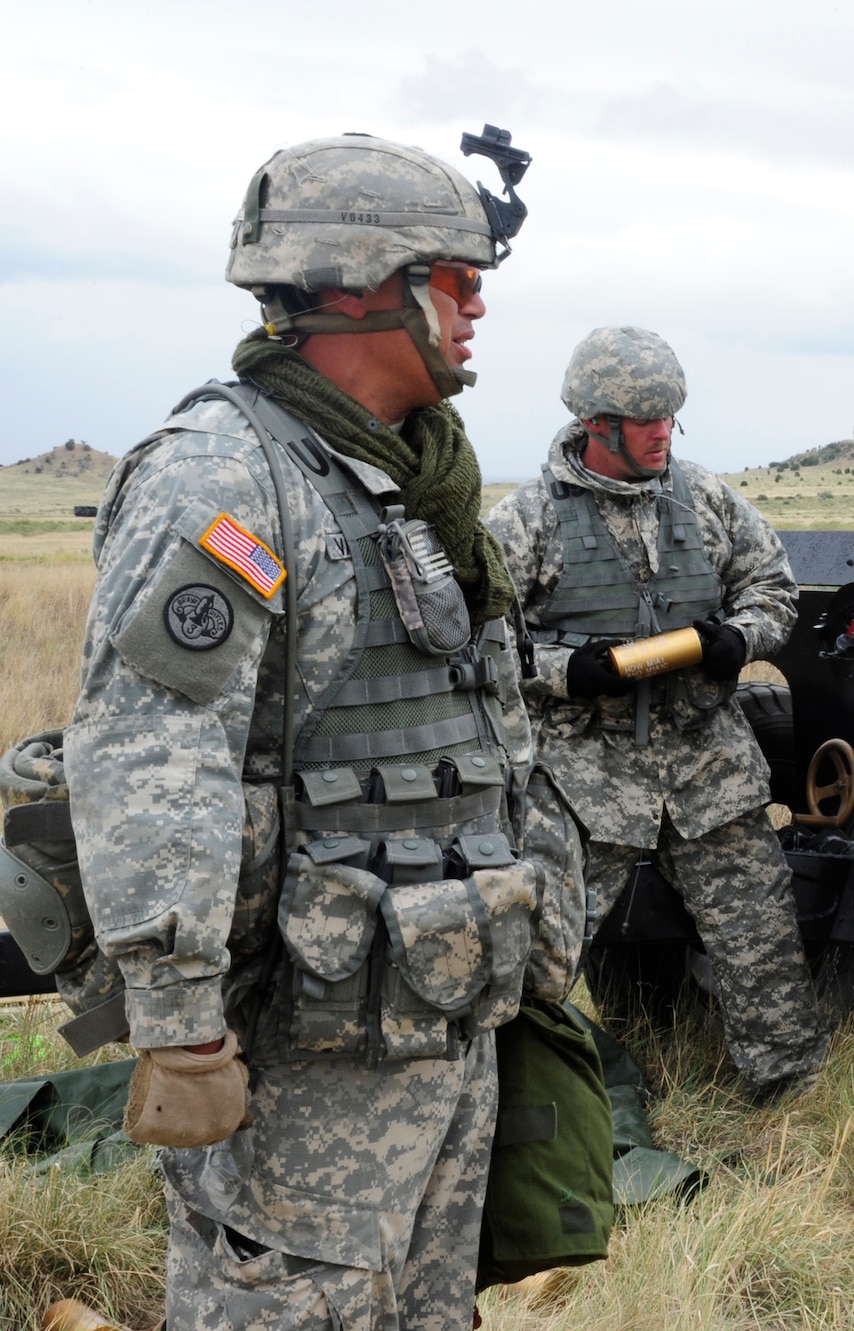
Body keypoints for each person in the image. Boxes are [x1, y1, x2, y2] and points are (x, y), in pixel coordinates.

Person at [65, 130, 585, 1329]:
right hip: (302, 1031)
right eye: (456, 278)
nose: (478, 305)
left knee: (428, 1305)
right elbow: (153, 751)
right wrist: (181, 1023)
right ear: (363, 284)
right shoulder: (228, 477)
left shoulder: (419, 479)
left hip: (436, 995)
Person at [483, 326, 827, 1099]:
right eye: (645, 419)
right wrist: (566, 671)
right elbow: (477, 647)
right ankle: (517, 1101)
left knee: (761, 939)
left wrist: (735, 639)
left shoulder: (705, 498)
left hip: (706, 759)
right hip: (581, 773)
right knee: (537, 950)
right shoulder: (527, 521)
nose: (663, 430)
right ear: (596, 425)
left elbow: (774, 589)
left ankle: (793, 1099)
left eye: (671, 415)